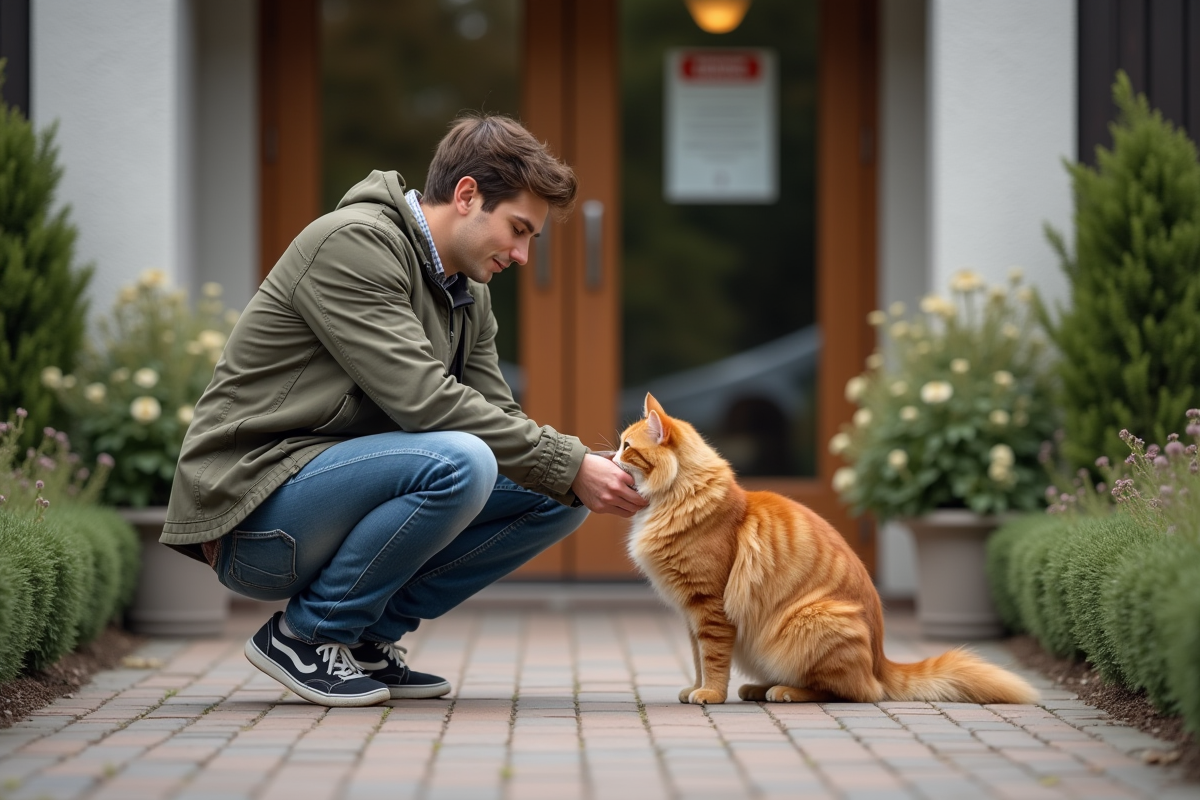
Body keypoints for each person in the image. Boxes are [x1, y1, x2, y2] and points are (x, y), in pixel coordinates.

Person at [160, 114, 646, 707]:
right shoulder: (353, 244)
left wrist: (579, 470)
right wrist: (567, 461)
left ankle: (366, 637)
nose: (522, 255)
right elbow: (425, 400)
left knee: (556, 492)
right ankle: (307, 635)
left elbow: (497, 414)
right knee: (466, 460)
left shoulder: (469, 294)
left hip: (328, 495)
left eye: (531, 240)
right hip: (256, 514)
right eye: (518, 229)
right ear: (466, 195)